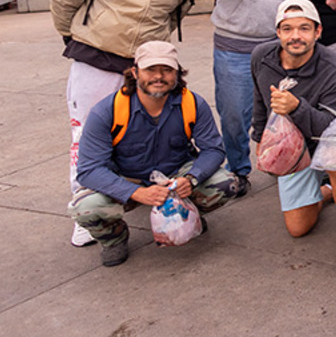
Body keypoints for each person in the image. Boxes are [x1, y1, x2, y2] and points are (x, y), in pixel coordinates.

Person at [51, 0, 193, 247]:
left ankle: (142, 197)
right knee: (85, 139)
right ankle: (86, 213)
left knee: (141, 137)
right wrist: (75, 37)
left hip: (144, 71)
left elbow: (177, 13)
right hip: (97, 62)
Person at [69, 41, 238, 267]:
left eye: (167, 70)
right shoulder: (106, 111)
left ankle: (190, 212)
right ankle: (114, 238)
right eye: (150, 70)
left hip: (176, 175)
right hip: (126, 178)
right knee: (85, 206)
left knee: (226, 183)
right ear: (135, 72)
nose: (159, 76)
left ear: (177, 73)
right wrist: (135, 192)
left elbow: (214, 150)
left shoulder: (192, 103)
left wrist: (191, 178)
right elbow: (89, 170)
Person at [189, 0, 307, 197]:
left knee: (280, 111)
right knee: (234, 115)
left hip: (277, 50)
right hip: (234, 48)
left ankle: (282, 162)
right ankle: (239, 170)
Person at [251, 0, 336, 275]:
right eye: (287, 29)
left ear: (318, 32)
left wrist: (297, 108)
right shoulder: (261, 57)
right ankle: (328, 191)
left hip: (325, 142)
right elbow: (259, 100)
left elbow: (333, 128)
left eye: (304, 28)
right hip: (289, 146)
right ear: (277, 32)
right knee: (298, 228)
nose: (296, 36)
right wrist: (260, 139)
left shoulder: (335, 67)